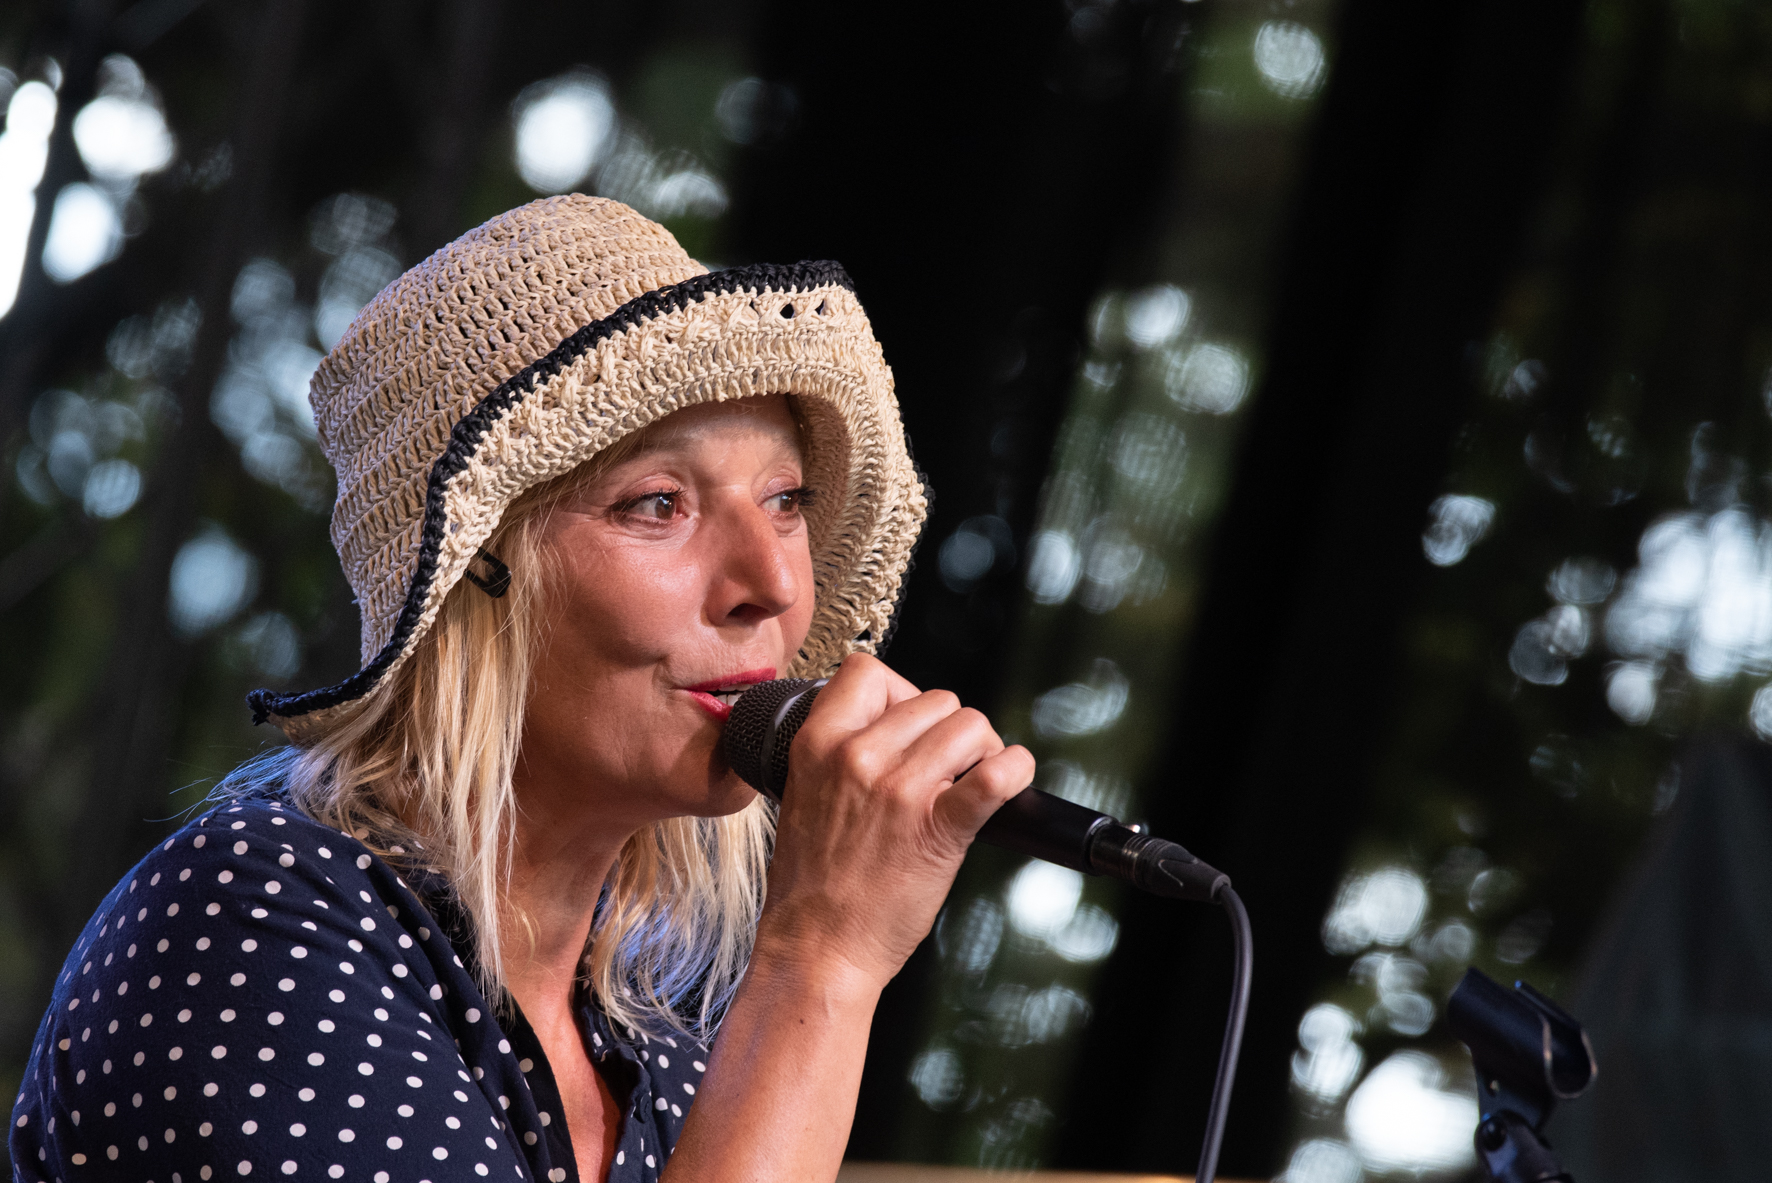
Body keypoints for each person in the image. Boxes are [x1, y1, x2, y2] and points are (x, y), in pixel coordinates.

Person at [11, 196, 1035, 1183]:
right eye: (658, 504)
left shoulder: (665, 1045)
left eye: (784, 499)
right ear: (472, 582)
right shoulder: (249, 918)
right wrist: (822, 959)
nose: (769, 582)